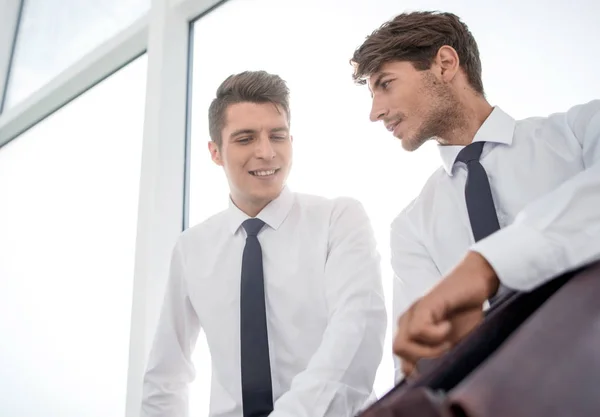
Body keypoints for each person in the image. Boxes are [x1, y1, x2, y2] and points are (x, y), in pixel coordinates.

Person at [350, 11, 600, 380]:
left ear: (445, 64)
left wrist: (487, 266)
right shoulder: (411, 228)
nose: (375, 112)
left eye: (386, 84)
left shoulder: (580, 132)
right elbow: (420, 369)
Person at [141, 70, 387, 417]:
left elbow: (356, 334)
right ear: (215, 152)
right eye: (245, 139)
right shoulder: (191, 249)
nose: (266, 152)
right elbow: (165, 377)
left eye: (278, 136)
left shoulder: (338, 220)